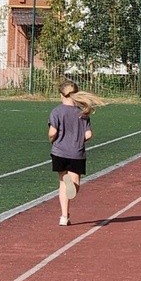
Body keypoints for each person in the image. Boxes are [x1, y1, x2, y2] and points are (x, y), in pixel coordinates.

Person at [48, 81, 105, 226]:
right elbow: (89, 134)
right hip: (76, 152)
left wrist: (52, 139)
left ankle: (63, 216)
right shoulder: (82, 112)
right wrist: (80, 139)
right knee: (74, 184)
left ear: (61, 95)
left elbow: (52, 132)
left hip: (59, 151)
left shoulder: (56, 111)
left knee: (62, 182)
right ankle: (71, 188)